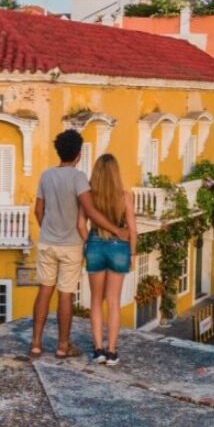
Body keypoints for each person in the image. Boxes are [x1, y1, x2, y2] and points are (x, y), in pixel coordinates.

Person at [30, 130, 128, 359]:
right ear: (78, 153)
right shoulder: (79, 178)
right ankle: (62, 346)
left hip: (47, 242)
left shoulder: (46, 175)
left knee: (44, 290)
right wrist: (116, 230)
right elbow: (90, 211)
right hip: (71, 245)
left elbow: (38, 210)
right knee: (65, 294)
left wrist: (48, 229)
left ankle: (35, 344)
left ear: (59, 151)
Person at [81, 154, 136, 366]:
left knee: (95, 301)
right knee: (114, 302)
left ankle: (98, 350)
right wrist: (132, 253)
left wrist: (91, 242)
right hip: (118, 248)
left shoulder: (88, 196)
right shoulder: (124, 197)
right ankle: (112, 352)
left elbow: (80, 225)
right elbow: (132, 229)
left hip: (95, 245)